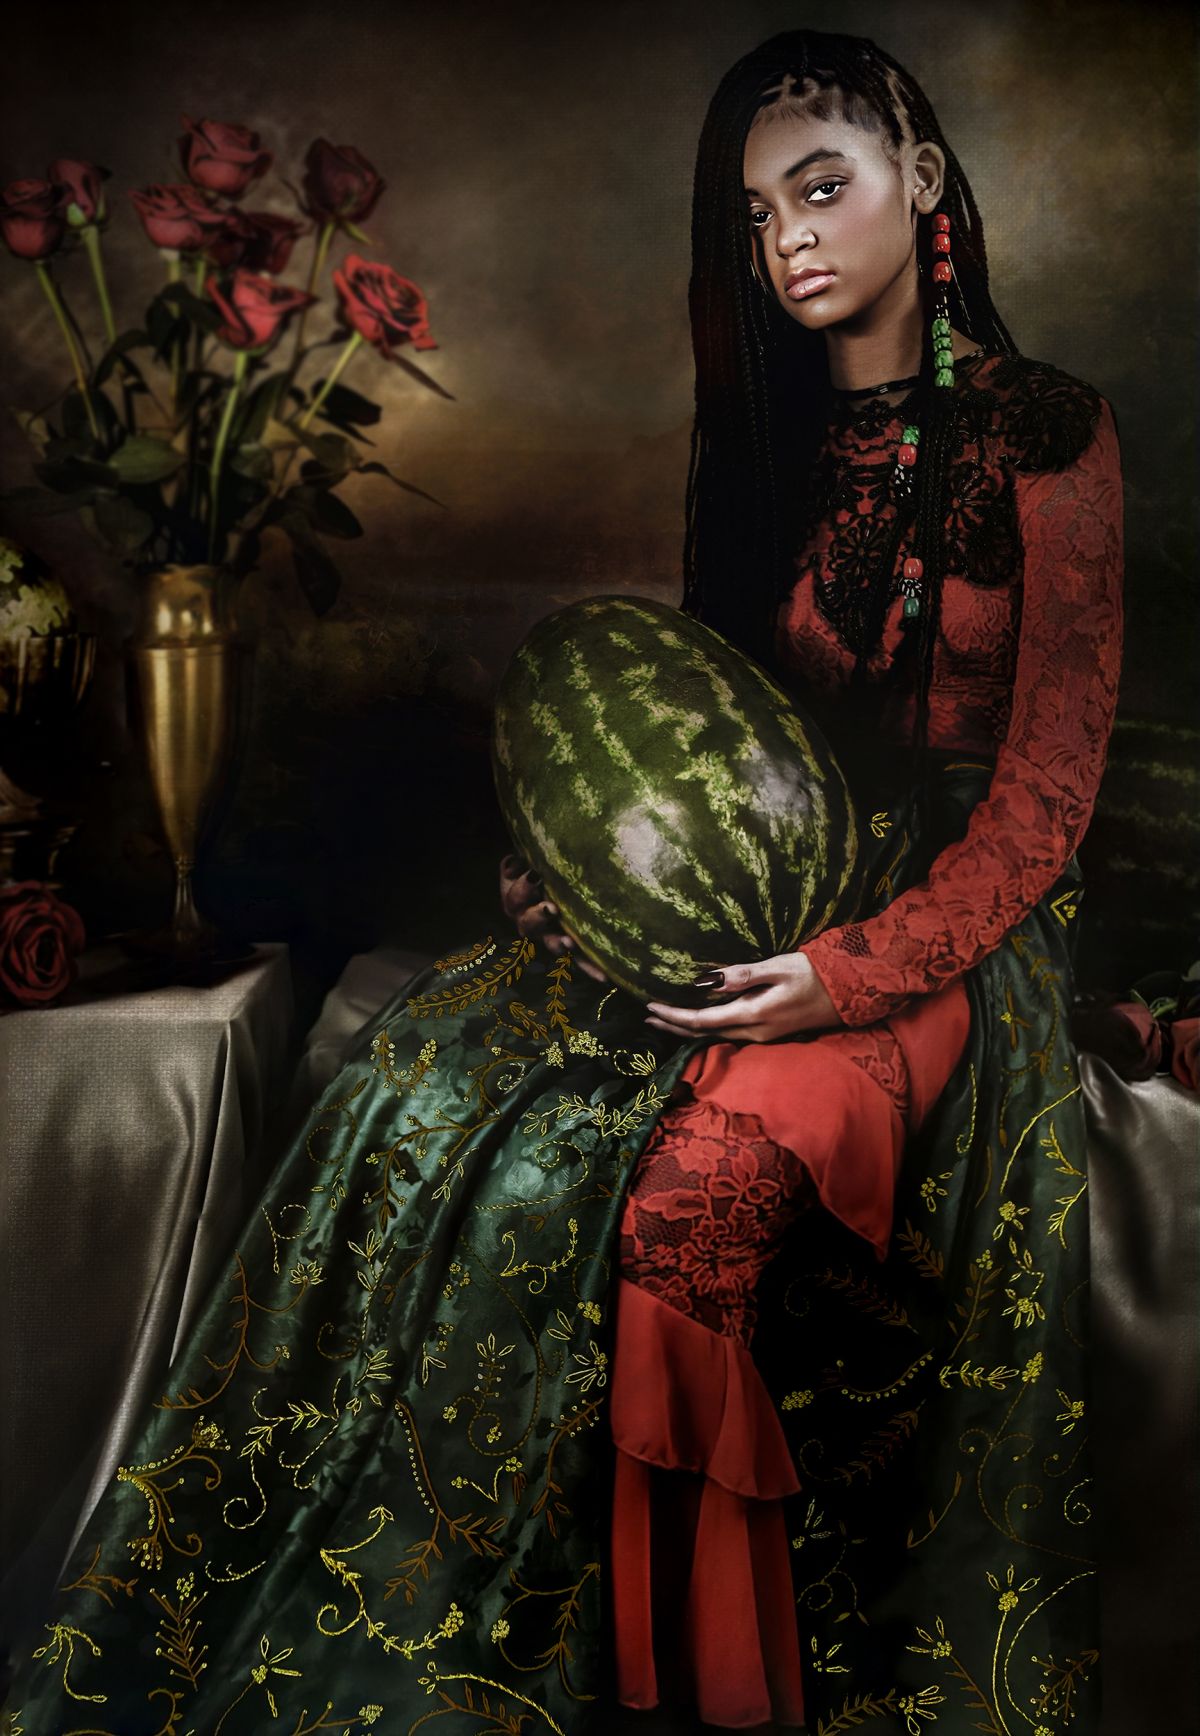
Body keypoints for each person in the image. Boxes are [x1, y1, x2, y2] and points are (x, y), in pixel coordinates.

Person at [4, 29, 1120, 1736]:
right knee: (426, 1081)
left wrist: (847, 976)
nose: (789, 240)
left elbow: (1046, 803)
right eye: (755, 215)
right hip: (771, 882)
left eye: (821, 188)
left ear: (924, 177)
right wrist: (577, 877)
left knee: (692, 1196)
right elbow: (703, 736)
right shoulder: (766, 440)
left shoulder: (1049, 432)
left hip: (962, 927)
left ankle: (735, 1689)